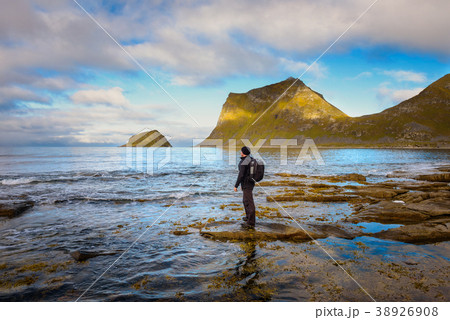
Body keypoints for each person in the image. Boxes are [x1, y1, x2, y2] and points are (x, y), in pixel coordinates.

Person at [234, 146, 256, 228]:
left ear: (243, 153)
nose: (240, 152)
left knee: (249, 202)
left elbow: (241, 175)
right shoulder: (250, 159)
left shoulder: (244, 162)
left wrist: (236, 185)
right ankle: (248, 217)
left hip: (247, 184)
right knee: (245, 201)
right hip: (249, 183)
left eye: (241, 151)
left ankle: (251, 222)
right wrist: (242, 185)